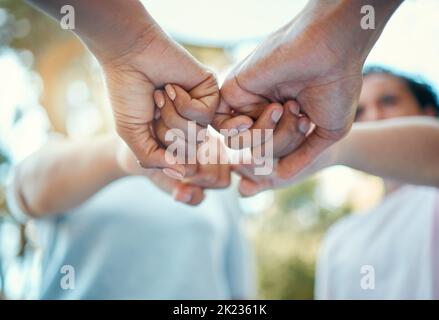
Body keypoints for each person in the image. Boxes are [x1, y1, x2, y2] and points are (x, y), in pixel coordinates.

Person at [27, 0, 405, 186]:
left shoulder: (234, 181)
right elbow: (26, 188)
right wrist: (122, 159)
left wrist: (129, 44)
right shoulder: (231, 173)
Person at [2, 87, 254, 299]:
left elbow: (239, 294)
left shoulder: (217, 184)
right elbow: (22, 191)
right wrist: (126, 155)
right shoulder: (70, 158)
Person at [239, 67, 439, 298]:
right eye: (359, 111)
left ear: (428, 113)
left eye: (389, 101)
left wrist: (325, 146)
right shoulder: (340, 240)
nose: (373, 117)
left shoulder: (432, 200)